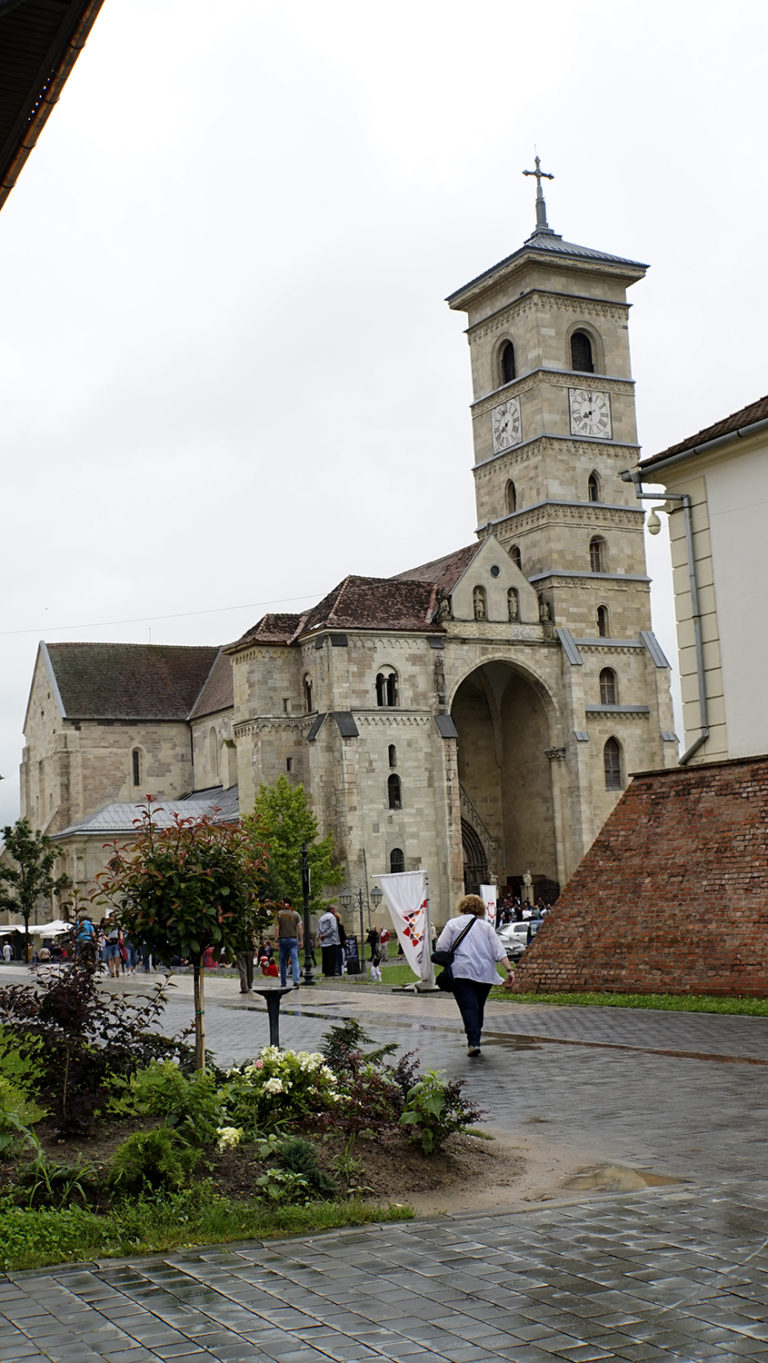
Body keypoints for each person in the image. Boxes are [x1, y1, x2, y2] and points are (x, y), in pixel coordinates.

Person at [435, 893, 515, 1057]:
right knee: (478, 1007)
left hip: (461, 972)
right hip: (484, 973)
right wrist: (509, 970)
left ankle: (473, 1041)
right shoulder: (486, 927)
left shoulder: (453, 924)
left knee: (468, 1007)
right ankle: (475, 1038)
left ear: (462, 907)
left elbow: (441, 947)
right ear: (480, 909)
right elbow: (499, 950)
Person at [274, 898, 303, 988]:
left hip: (282, 939)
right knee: (295, 960)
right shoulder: (295, 914)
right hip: (293, 939)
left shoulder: (279, 914)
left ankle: (283, 982)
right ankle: (296, 980)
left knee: (283, 962)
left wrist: (276, 940)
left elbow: (276, 928)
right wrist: (301, 940)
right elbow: (300, 928)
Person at [317, 905, 340, 976]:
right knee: (332, 958)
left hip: (324, 942)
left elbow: (318, 928)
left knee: (325, 958)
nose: (335, 911)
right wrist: (326, 935)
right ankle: (331, 972)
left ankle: (326, 972)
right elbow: (333, 928)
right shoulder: (332, 917)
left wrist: (320, 936)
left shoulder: (321, 918)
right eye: (334, 909)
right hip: (332, 940)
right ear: (331, 910)